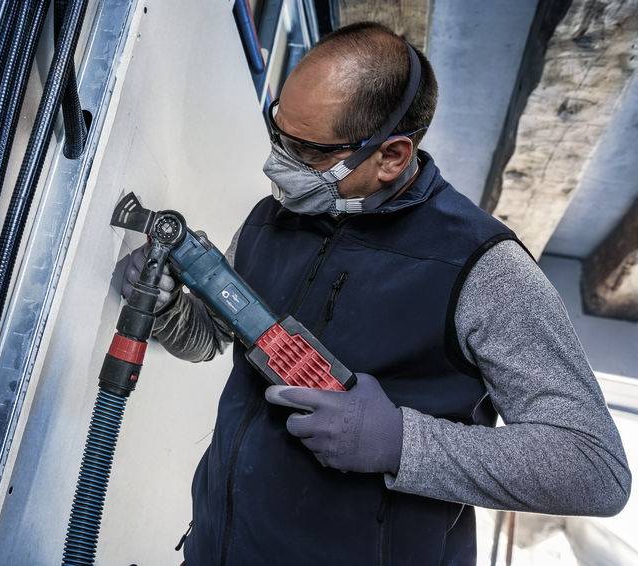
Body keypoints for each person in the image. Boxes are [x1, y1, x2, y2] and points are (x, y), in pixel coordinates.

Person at [121, 22, 631, 566]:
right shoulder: (272, 220)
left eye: (307, 151)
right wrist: (168, 306)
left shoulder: (483, 269)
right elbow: (213, 342)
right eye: (278, 133)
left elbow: (594, 468)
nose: (276, 163)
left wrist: (401, 443)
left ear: (391, 155)